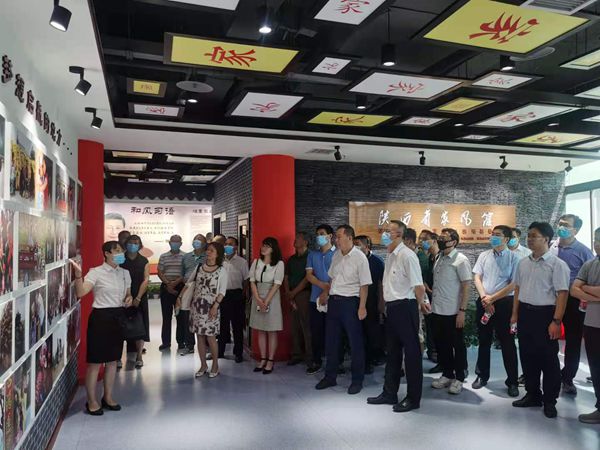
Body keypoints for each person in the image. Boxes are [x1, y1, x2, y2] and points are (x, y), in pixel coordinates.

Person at [367, 221, 429, 412]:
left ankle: (413, 398)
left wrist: (421, 304)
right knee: (392, 353)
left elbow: (419, 286)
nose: (384, 234)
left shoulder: (407, 255)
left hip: (406, 307)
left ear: (399, 234)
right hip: (393, 308)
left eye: (388, 231)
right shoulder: (390, 255)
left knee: (411, 355)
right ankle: (389, 393)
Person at [511, 222, 570, 419]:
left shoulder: (557, 265)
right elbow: (518, 289)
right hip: (525, 314)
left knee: (548, 360)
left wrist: (556, 321)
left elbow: (562, 294)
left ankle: (550, 400)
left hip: (546, 316)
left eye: (534, 236)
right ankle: (533, 394)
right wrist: (515, 314)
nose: (529, 239)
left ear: (546, 239)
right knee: (527, 356)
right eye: (528, 235)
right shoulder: (523, 263)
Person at [71, 241, 133, 415]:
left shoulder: (125, 273)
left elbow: (128, 293)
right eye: (117, 251)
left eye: (121, 251)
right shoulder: (96, 272)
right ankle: (92, 401)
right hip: (101, 318)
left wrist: (129, 298)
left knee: (112, 361)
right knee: (95, 362)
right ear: (107, 253)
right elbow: (81, 292)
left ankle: (108, 397)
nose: (121, 253)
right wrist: (78, 276)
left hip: (118, 317)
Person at [315, 224, 372, 395]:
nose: (336, 240)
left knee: (355, 343)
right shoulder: (337, 255)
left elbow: (364, 285)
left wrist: (362, 307)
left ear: (349, 237)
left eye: (339, 237)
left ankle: (357, 380)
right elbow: (332, 278)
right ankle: (330, 376)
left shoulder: (360, 258)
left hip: (351, 303)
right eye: (336, 237)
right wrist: (326, 294)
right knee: (331, 341)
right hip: (335, 302)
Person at [472, 225, 521, 397]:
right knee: (483, 340)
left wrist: (492, 299)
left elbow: (514, 284)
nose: (493, 237)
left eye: (497, 235)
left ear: (506, 239)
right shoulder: (484, 255)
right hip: (484, 301)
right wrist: (485, 298)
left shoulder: (514, 258)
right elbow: (477, 277)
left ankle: (512, 381)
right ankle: (482, 375)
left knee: (507, 343)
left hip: (504, 304)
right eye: (492, 234)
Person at [551, 214, 595, 395]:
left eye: (566, 225)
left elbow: (590, 279)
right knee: (547, 338)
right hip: (550, 299)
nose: (561, 227)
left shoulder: (584, 251)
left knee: (573, 340)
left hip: (572, 300)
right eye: (560, 224)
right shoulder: (550, 247)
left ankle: (567, 377)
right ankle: (550, 373)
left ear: (575, 230)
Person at [430, 228, 472, 395]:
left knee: (457, 345)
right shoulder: (439, 257)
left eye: (444, 238)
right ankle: (447, 374)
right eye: (440, 237)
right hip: (437, 309)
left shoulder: (461, 260)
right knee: (442, 344)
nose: (440, 240)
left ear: (453, 242)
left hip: (453, 311)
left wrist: (462, 310)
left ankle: (459, 377)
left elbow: (466, 286)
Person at [570, 227, 600, 424]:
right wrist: (596, 295)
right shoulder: (590, 264)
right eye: (596, 239)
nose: (597, 243)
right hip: (592, 323)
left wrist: (587, 289)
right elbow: (574, 290)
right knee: (596, 367)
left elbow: (581, 288)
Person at [188, 242, 228, 378]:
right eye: (208, 250)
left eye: (212, 251)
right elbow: (190, 283)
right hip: (197, 306)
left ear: (218, 254)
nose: (208, 253)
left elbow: (222, 291)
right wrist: (181, 298)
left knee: (211, 337)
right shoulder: (199, 267)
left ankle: (215, 365)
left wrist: (215, 306)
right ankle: (203, 364)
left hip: (211, 307)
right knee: (199, 336)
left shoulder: (221, 270)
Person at [249, 237, 284, 374]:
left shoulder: (279, 264)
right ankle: (262, 359)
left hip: (272, 296)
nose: (264, 248)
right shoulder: (256, 262)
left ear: (273, 249)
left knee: (271, 329)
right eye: (263, 245)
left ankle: (270, 360)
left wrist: (266, 301)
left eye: (267, 246)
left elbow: (277, 283)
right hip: (258, 295)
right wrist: (258, 299)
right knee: (260, 329)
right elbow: (252, 281)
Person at [305, 224, 336, 375]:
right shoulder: (313, 255)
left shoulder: (337, 254)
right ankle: (316, 361)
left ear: (330, 236)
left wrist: (327, 291)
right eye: (317, 234)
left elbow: (338, 276)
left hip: (334, 299)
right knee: (316, 332)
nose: (319, 236)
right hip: (315, 299)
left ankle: (335, 363)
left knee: (333, 333)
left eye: (322, 233)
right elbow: (309, 275)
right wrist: (323, 286)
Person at [354, 235, 385, 373]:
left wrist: (381, 303)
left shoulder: (377, 262)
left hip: (371, 302)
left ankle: (370, 360)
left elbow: (381, 284)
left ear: (366, 246)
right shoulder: (352, 260)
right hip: (355, 301)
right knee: (358, 333)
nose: (355, 247)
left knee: (371, 332)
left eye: (358, 244)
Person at [120, 235, 150, 369]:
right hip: (121, 297)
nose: (133, 245)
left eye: (136, 243)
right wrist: (126, 296)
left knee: (141, 326)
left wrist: (137, 297)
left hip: (139, 296)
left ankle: (139, 356)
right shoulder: (120, 259)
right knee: (120, 326)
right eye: (131, 243)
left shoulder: (143, 260)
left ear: (140, 245)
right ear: (126, 244)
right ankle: (118, 357)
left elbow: (146, 279)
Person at [218, 237, 249, 362]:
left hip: (237, 295)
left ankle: (238, 353)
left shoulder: (242, 262)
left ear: (236, 247)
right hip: (222, 295)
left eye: (230, 244)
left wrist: (243, 294)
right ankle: (220, 352)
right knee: (222, 325)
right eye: (226, 244)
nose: (227, 246)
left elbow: (246, 279)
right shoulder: (220, 261)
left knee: (237, 325)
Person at [284, 232, 312, 367]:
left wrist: (294, 292)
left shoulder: (311, 257)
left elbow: (308, 278)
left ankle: (310, 356)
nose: (295, 241)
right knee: (294, 326)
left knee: (306, 325)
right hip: (292, 295)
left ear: (305, 242)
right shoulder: (292, 259)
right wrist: (288, 293)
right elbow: (286, 277)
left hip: (304, 294)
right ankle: (297, 354)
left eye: (298, 239)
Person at [179, 234, 208, 356]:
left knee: (202, 318)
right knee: (187, 318)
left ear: (204, 243)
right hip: (187, 289)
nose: (196, 242)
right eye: (195, 239)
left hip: (202, 291)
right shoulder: (186, 256)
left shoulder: (207, 256)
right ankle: (189, 345)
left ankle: (206, 347)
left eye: (199, 240)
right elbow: (182, 273)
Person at [157, 235, 186, 351]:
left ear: (181, 243)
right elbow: (160, 272)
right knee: (166, 317)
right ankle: (166, 343)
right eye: (173, 242)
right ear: (169, 243)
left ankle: (181, 342)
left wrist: (174, 283)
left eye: (177, 242)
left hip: (180, 288)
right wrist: (168, 284)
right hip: (166, 287)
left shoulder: (185, 256)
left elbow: (185, 272)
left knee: (180, 317)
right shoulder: (163, 256)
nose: (175, 244)